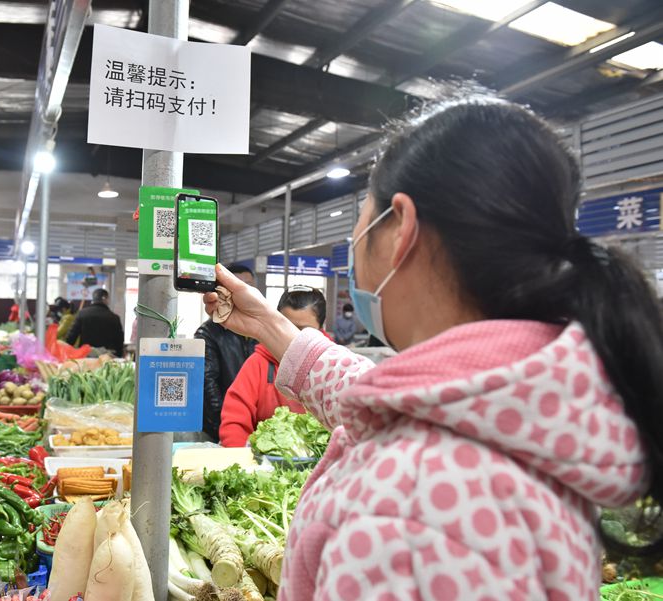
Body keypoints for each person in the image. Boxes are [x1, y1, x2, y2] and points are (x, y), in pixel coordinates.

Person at [204, 92, 661, 599]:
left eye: (363, 216)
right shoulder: (529, 400)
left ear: (400, 227)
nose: (356, 242)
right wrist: (269, 324)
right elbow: (377, 396)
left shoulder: (408, 512)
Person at [219, 286, 326, 447]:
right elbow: (234, 422)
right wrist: (244, 461)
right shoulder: (258, 364)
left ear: (321, 329)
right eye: (287, 326)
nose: (293, 337)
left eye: (303, 331)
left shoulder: (331, 367)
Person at [194, 263, 258, 442]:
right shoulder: (208, 333)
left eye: (250, 286)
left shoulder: (258, 330)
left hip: (255, 426)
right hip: (222, 428)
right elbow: (208, 383)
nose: (246, 292)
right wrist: (227, 425)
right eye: (238, 286)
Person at [65, 288, 124, 356]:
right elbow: (119, 340)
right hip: (107, 357)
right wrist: (119, 356)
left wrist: (69, 354)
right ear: (106, 299)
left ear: (93, 299)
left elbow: (71, 337)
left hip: (86, 356)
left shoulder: (82, 314)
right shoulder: (114, 318)